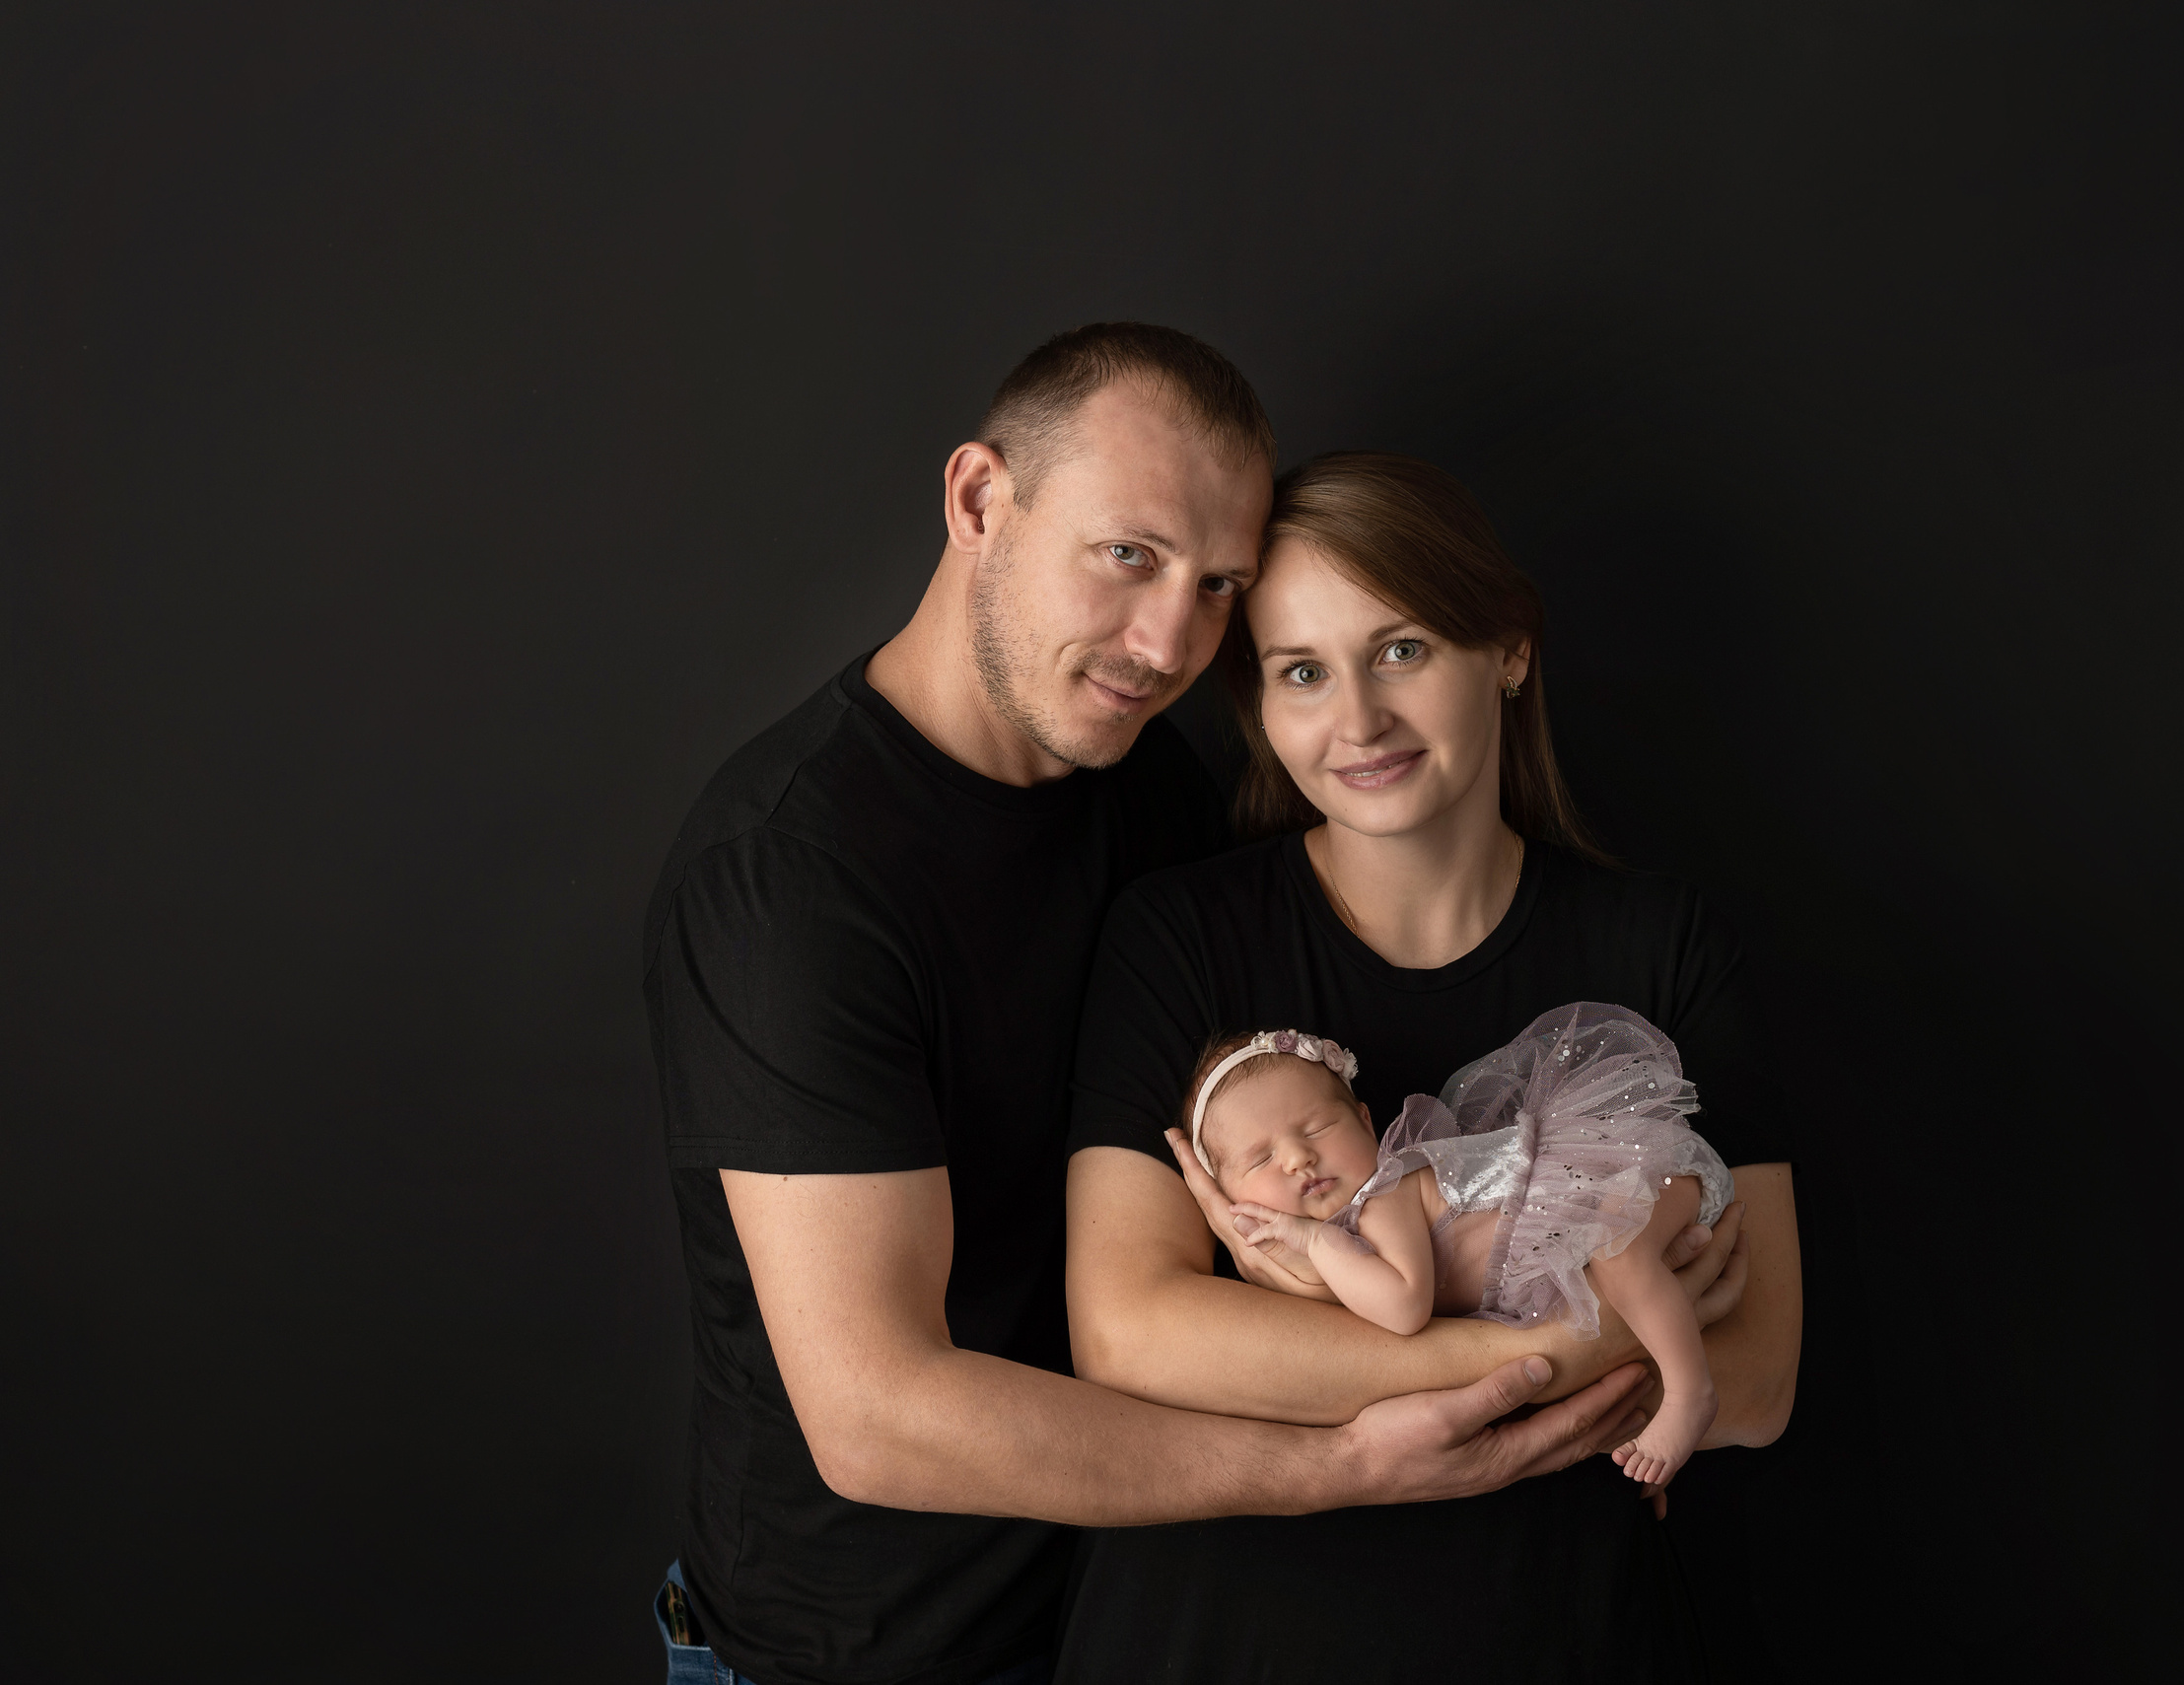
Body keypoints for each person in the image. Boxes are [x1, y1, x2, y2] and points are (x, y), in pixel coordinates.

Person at [642, 330, 1658, 1685]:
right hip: (871, 1653)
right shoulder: (789, 883)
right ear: (978, 501)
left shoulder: (1151, 787)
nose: (1170, 639)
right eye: (1129, 554)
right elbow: (881, 1414)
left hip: (1131, 1611)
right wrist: (1344, 1464)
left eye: (1218, 584)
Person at [1061, 451, 1805, 1682]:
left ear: (1507, 647)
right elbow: (1133, 1337)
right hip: (1223, 1642)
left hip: (1561, 1636)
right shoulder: (1178, 936)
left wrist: (1293, 1331)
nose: (1355, 721)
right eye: (1302, 671)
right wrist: (1611, 1335)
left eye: (1399, 649)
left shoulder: (1660, 944)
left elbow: (1764, 1373)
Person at [1189, 1003, 1734, 1487]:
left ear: (1364, 1121)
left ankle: (1690, 1394)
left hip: (1632, 1172)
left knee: (1620, 1253)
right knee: (1616, 1297)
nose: (1297, 1158)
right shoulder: (1346, 1246)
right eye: (1261, 1159)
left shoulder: (1387, 1192)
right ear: (1227, 1196)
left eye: (1316, 1128)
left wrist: (1311, 1240)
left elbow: (1403, 1309)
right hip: (1597, 1232)